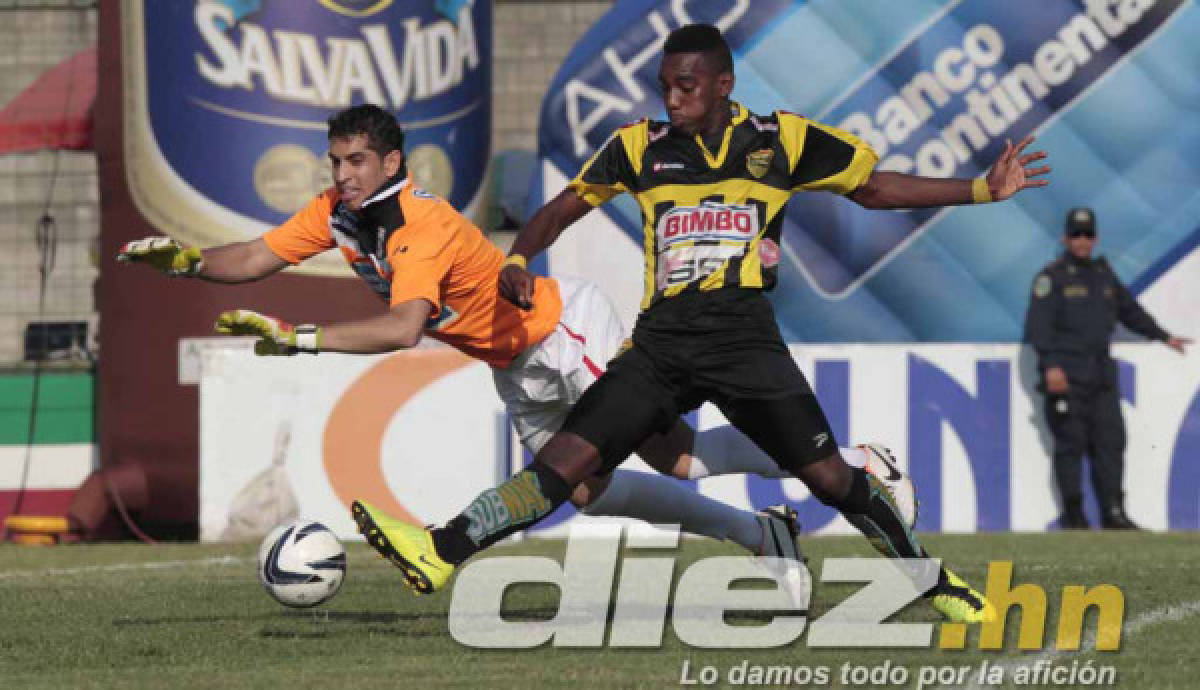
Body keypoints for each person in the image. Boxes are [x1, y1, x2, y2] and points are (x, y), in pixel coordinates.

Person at [353, 24, 1050, 624]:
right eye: (665, 85)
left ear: (723, 84)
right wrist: (522, 253)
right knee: (564, 466)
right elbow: (567, 204)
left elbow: (874, 188)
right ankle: (441, 551)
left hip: (744, 338)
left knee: (831, 479)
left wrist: (982, 189)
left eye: (686, 85)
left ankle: (931, 580)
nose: (673, 97)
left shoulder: (783, 141)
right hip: (659, 344)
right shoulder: (639, 148)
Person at [116, 103, 902, 566]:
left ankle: (851, 465)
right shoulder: (337, 214)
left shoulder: (417, 225)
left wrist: (301, 338)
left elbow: (401, 330)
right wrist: (185, 262)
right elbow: (253, 255)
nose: (343, 173)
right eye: (335, 161)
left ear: (392, 160)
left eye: (357, 160)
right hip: (512, 361)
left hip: (561, 331)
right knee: (592, 495)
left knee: (678, 457)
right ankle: (762, 534)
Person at [1024, 207, 1190, 530]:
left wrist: (1163, 336)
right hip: (1067, 373)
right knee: (1070, 445)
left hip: (1101, 373)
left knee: (1111, 442)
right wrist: (1051, 366)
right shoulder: (1051, 278)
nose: (1082, 241)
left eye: (1087, 235)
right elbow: (1039, 328)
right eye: (1076, 234)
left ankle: (1114, 513)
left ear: (1095, 238)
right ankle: (1075, 516)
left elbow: (1130, 311)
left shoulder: (1103, 275)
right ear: (1065, 238)